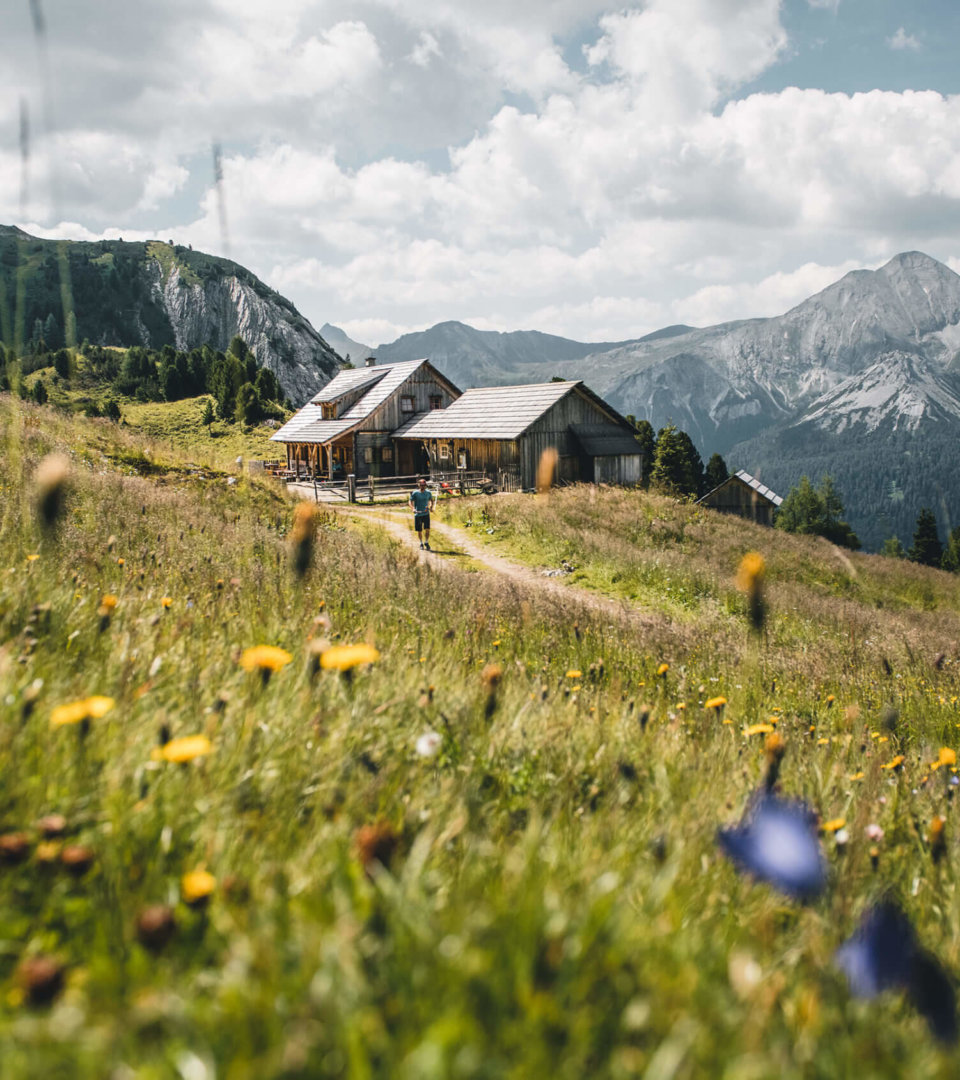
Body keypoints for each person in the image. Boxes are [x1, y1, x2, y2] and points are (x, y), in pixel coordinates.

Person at [408, 476, 434, 550]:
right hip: (418, 514)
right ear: (419, 485)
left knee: (427, 528)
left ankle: (426, 542)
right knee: (419, 530)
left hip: (426, 513)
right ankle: (421, 543)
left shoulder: (428, 492)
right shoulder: (415, 493)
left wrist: (431, 507)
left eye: (424, 485)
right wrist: (413, 508)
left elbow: (431, 500)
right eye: (421, 485)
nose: (423, 487)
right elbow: (410, 501)